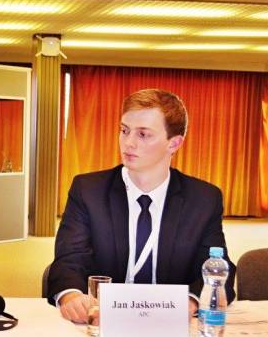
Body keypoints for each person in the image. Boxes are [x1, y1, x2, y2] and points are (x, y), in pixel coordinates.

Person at [47, 88, 236, 322]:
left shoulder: (203, 199)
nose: (128, 143)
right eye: (124, 130)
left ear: (174, 143)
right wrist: (72, 296)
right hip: (102, 320)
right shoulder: (89, 190)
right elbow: (69, 260)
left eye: (143, 134)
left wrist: (190, 303)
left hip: (169, 324)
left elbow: (217, 268)